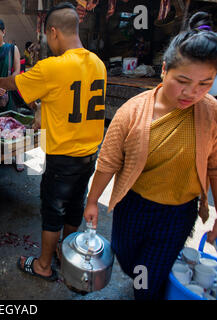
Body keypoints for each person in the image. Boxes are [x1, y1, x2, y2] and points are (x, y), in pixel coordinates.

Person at [83, 12, 217, 300]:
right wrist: (93, 200)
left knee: (146, 281)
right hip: (134, 205)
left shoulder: (211, 112)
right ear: (164, 69)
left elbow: (215, 167)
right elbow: (108, 162)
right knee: (127, 258)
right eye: (183, 81)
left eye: (205, 84)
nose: (192, 92)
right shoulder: (132, 111)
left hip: (178, 213)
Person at [0, 2, 107, 281]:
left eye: (46, 36)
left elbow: (15, 83)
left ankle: (42, 265)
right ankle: (66, 254)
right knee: (75, 207)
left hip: (62, 158)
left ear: (53, 32)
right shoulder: (97, 63)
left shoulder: (52, 66)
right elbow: (62, 98)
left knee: (52, 210)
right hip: (89, 156)